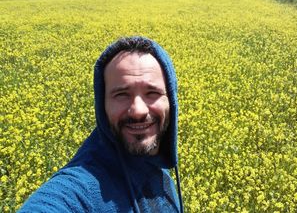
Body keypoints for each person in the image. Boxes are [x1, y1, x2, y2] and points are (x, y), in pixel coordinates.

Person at [19, 36, 184, 213]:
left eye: (152, 93)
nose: (138, 110)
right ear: (102, 105)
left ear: (171, 101)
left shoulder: (157, 163)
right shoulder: (81, 188)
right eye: (121, 94)